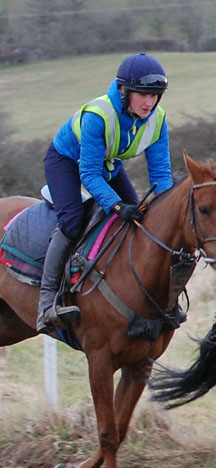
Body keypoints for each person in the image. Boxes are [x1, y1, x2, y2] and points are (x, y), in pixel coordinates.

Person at [37, 52, 173, 333]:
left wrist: (167, 212)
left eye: (155, 95)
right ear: (123, 90)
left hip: (107, 166)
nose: (149, 102)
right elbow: (88, 174)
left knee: (141, 221)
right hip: (67, 162)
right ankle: (46, 302)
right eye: (142, 94)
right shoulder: (98, 115)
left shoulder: (158, 121)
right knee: (72, 220)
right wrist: (116, 206)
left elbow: (161, 178)